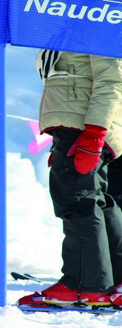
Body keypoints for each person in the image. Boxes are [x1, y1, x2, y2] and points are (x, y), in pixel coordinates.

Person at [18, 49, 122, 307]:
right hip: (78, 124)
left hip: (85, 125)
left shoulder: (91, 18)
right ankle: (113, 282)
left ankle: (84, 285)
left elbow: (112, 79)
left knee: (78, 201)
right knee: (99, 201)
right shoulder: (76, 22)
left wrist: (95, 133)